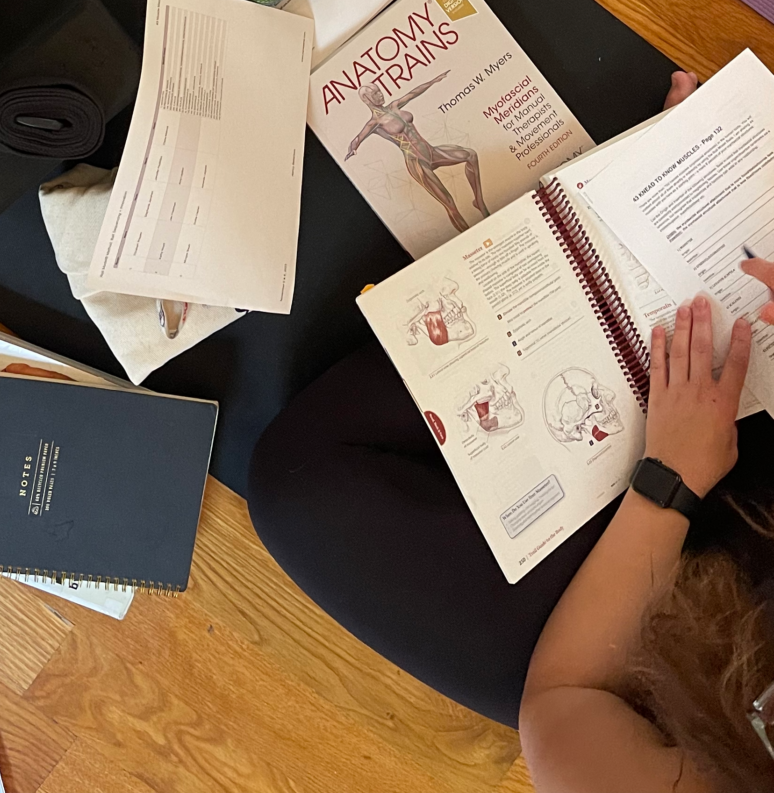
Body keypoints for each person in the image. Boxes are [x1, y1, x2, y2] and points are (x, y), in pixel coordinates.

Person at [248, 71, 774, 788]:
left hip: (675, 655)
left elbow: (562, 708)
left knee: (302, 489)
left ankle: (630, 250)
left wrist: (670, 483)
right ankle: (659, 228)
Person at [344, 72, 487, 235]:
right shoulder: (374, 123)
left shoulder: (394, 106)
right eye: (375, 93)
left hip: (431, 152)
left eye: (379, 90)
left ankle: (479, 201)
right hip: (417, 162)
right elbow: (358, 138)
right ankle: (471, 237)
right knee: (449, 204)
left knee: (471, 155)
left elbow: (414, 93)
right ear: (367, 100)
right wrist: (352, 149)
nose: (380, 94)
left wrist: (432, 80)